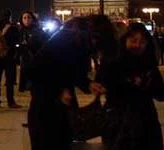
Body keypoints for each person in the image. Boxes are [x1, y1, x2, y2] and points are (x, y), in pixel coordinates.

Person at [25, 15, 116, 150]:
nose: (96, 47)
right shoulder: (66, 41)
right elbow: (33, 70)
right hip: (45, 107)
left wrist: (88, 84)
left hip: (60, 108)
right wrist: (59, 91)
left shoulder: (76, 41)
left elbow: (70, 71)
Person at [96, 22, 164, 150]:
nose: (138, 45)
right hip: (119, 122)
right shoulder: (112, 62)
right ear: (125, 40)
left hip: (146, 122)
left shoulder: (148, 64)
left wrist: (146, 84)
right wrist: (127, 81)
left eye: (142, 42)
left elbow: (162, 94)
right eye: (133, 40)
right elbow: (103, 84)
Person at [0, 9, 21, 108]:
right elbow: (16, 42)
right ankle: (10, 101)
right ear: (10, 17)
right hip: (9, 57)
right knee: (9, 80)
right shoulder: (12, 28)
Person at [17, 10, 47, 93]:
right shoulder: (21, 31)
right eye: (24, 18)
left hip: (36, 60)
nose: (26, 20)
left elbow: (44, 44)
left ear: (33, 19)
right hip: (25, 61)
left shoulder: (38, 31)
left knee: (36, 86)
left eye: (29, 18)